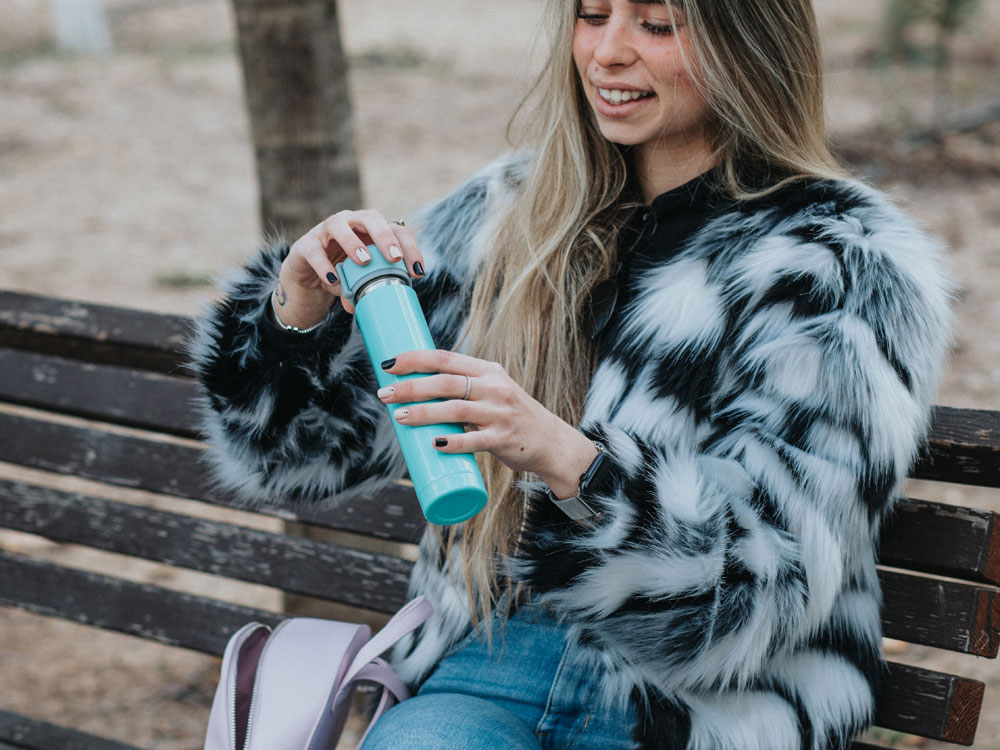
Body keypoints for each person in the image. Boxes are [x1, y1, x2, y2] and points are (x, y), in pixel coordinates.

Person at [190, 0, 954, 747]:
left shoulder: (840, 261)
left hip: (703, 709)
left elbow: (761, 592)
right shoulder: (512, 211)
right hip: (490, 654)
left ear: (748, 41)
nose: (608, 52)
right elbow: (291, 459)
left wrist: (570, 462)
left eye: (656, 24)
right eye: (592, 16)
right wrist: (298, 317)